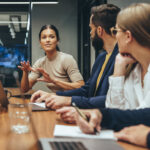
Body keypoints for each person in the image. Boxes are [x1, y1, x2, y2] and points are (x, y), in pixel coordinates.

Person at [30, 4, 120, 111]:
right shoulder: (101, 57)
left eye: (91, 28)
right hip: (92, 115)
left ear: (99, 30)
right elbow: (87, 90)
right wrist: (54, 95)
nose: (90, 33)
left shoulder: (122, 58)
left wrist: (69, 100)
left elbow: (113, 100)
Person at [105, 2, 150, 109]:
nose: (115, 37)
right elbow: (114, 111)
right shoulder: (135, 70)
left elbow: (143, 117)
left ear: (128, 36)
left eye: (116, 31)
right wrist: (118, 71)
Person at [18, 25, 84, 93]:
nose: (47, 40)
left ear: (57, 41)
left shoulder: (67, 59)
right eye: (44, 37)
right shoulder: (40, 63)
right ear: (40, 42)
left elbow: (81, 86)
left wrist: (54, 81)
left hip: (71, 100)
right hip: (55, 100)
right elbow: (24, 89)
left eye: (52, 37)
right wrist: (25, 73)